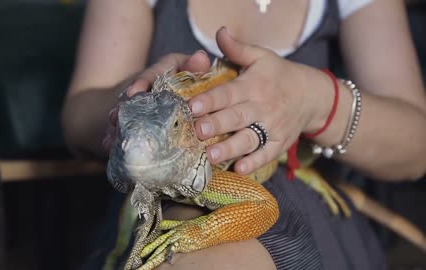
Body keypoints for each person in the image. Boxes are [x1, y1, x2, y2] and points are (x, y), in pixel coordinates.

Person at [62, 0, 426, 269]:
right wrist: (133, 100)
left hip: (304, 208)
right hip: (147, 198)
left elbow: (416, 149)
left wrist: (315, 99)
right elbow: (76, 119)